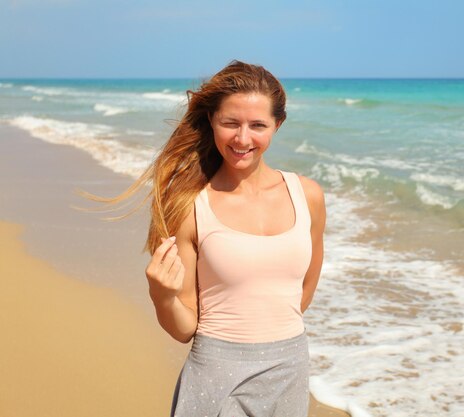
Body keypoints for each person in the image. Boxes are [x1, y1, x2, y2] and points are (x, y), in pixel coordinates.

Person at [83, 60, 326, 417]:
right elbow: (185, 329)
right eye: (230, 123)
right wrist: (161, 295)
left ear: (278, 124)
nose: (243, 139)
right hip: (217, 376)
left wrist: (270, 342)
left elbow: (302, 293)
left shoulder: (308, 196)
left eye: (257, 125)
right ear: (212, 120)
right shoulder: (191, 205)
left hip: (289, 369)